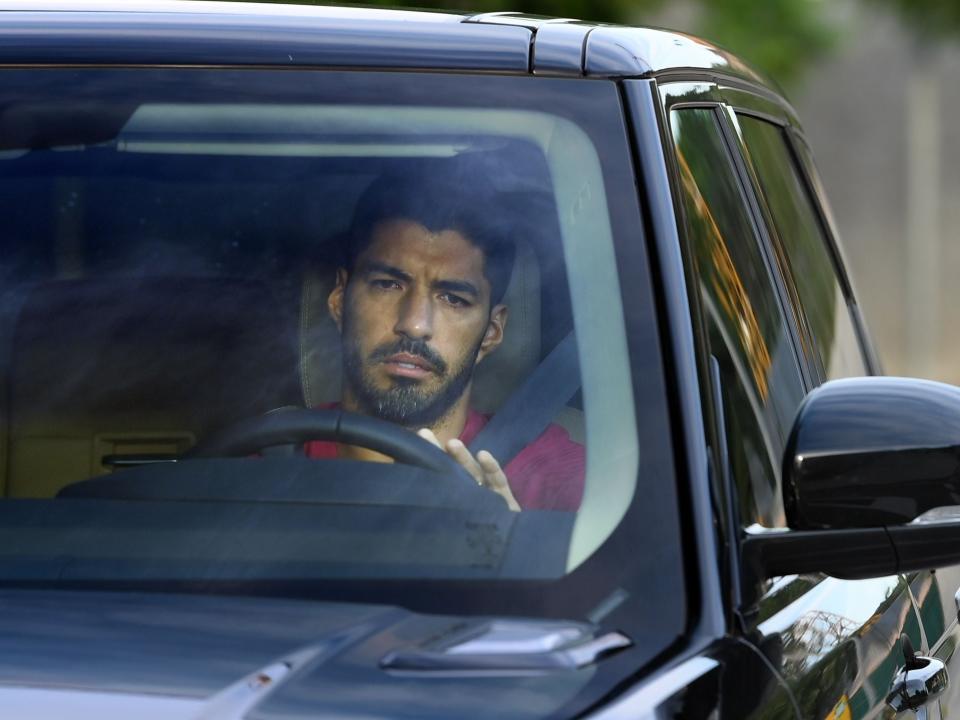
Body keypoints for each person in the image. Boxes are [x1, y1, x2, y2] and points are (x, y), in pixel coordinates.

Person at [306, 170, 584, 511]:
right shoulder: (269, 460)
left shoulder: (553, 474)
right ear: (339, 302)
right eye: (387, 284)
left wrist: (519, 544)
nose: (415, 325)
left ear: (491, 334)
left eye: (453, 298)